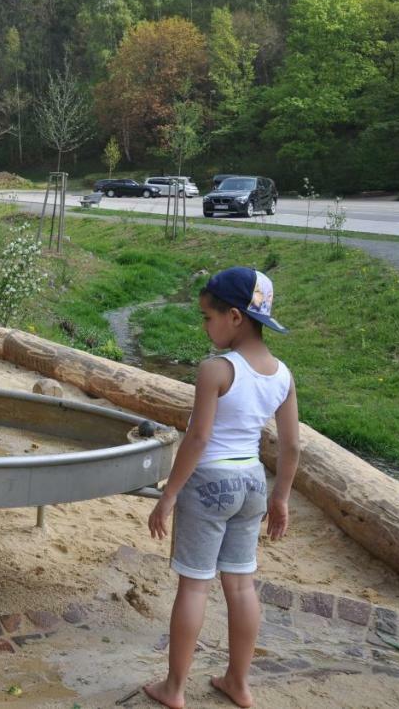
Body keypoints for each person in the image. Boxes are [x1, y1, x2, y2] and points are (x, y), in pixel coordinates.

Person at [143, 267, 301, 709]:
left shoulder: (216, 369)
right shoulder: (283, 375)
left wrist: (170, 493)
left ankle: (174, 688)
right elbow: (290, 446)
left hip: (210, 482)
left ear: (235, 317)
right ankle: (238, 682)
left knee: (194, 587)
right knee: (241, 585)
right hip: (252, 483)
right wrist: (281, 497)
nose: (204, 326)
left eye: (206, 317)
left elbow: (197, 438)